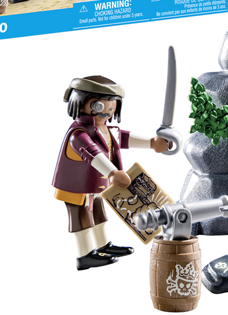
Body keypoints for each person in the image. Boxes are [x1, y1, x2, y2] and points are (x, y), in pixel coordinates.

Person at [52, 75, 172, 270]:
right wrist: (113, 173)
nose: (106, 110)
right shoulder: (79, 134)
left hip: (95, 186)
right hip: (77, 187)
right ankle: (84, 255)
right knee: (82, 219)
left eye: (112, 105)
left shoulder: (107, 130)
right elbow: (92, 153)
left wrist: (152, 143)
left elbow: (125, 138)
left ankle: (103, 245)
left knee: (99, 215)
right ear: (79, 102)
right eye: (99, 104)